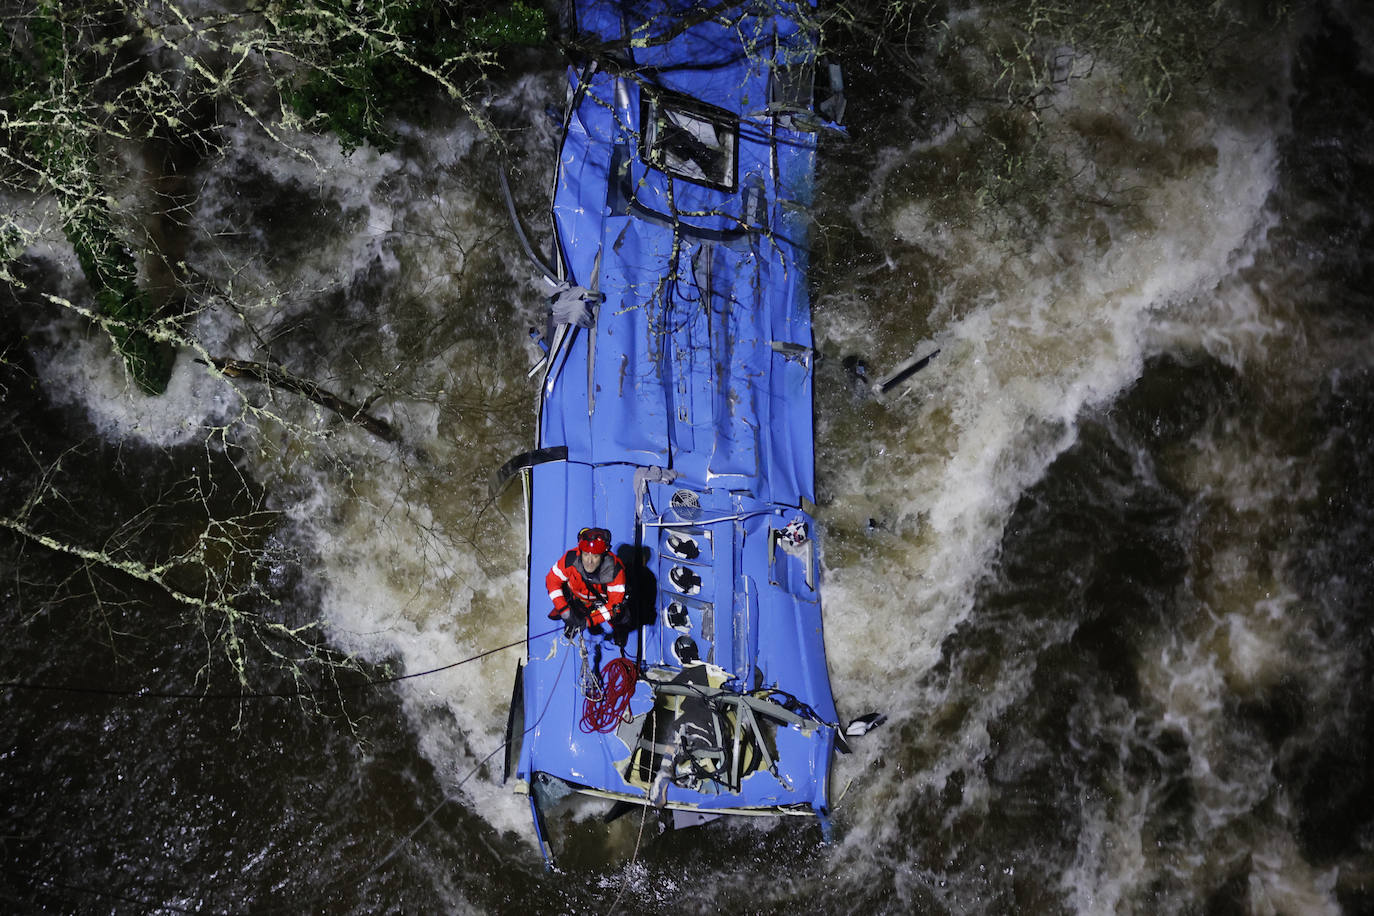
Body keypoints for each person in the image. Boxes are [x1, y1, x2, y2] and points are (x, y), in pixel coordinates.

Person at [546, 526, 627, 637]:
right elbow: (552, 580)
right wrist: (564, 609)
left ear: (603, 555)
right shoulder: (569, 560)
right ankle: (572, 618)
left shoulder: (615, 571)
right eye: (585, 555)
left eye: (595, 556)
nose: (589, 561)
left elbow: (614, 605)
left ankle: (619, 631)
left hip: (599, 602)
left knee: (622, 616)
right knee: (570, 609)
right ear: (580, 552)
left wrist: (589, 621)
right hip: (576, 599)